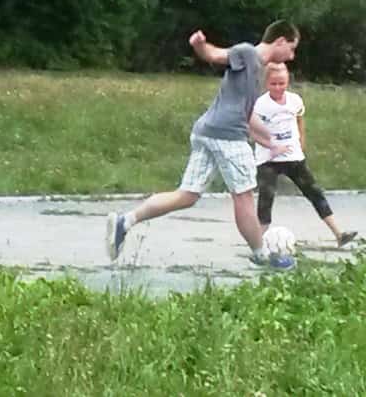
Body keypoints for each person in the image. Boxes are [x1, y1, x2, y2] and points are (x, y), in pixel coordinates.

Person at [106, 21, 300, 269]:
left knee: (187, 195)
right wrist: (200, 45)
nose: (291, 56)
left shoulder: (257, 69)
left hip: (208, 131)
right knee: (243, 198)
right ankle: (262, 256)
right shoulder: (248, 53)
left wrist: (271, 141)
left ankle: (125, 222)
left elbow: (247, 115)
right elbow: (216, 55)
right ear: (280, 41)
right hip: (226, 137)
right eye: (292, 49)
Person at [254, 62, 356, 247]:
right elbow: (252, 130)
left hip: (293, 156)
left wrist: (301, 141)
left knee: (314, 192)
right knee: (266, 198)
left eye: (282, 83)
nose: (278, 87)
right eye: (273, 84)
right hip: (268, 159)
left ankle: (339, 234)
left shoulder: (295, 100)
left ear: (288, 82)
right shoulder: (261, 104)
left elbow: (299, 119)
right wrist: (270, 145)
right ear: (266, 83)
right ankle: (258, 244)